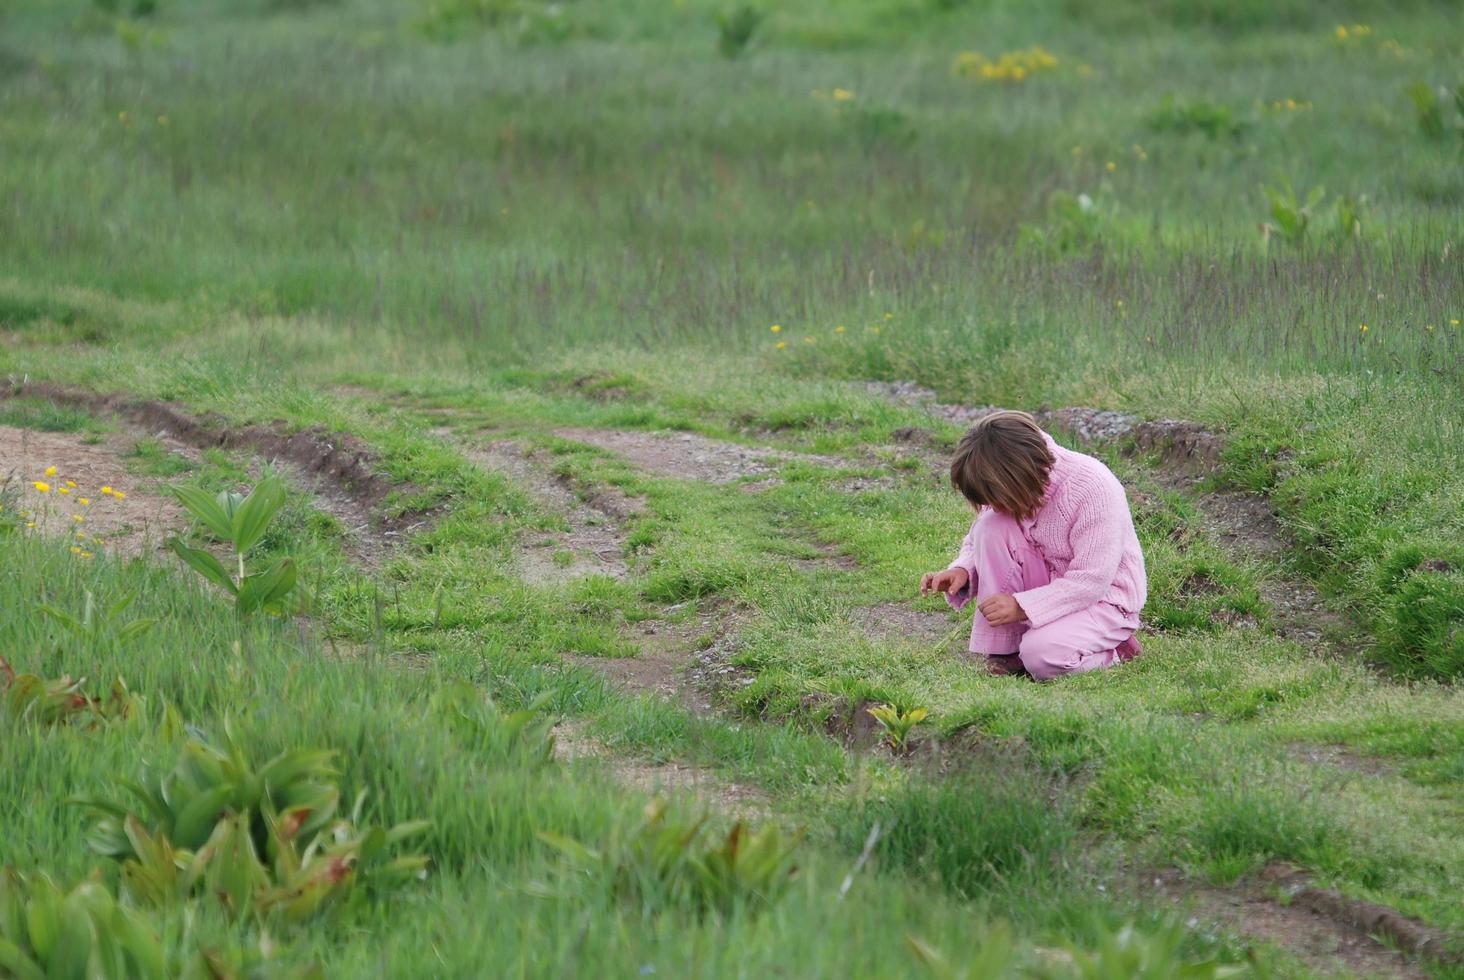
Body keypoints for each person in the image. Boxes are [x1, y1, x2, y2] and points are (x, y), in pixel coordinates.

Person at [919, 410, 1147, 679]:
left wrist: (1021, 606)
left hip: (1101, 601)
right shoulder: (1015, 482)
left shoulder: (1093, 487)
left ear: (1019, 479)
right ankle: (1009, 650)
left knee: (1042, 657)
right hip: (1049, 590)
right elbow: (978, 535)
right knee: (991, 526)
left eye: (999, 500)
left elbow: (1091, 581)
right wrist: (964, 570)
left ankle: (1113, 653)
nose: (995, 506)